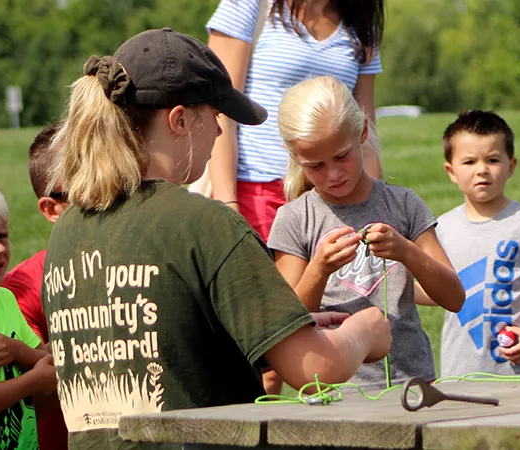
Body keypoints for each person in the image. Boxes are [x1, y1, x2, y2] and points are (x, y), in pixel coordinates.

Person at [45, 28, 392, 448]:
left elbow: (162, 340)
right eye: (215, 115)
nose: (221, 132)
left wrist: (275, 330)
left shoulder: (67, 229)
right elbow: (313, 368)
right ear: (178, 120)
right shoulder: (204, 222)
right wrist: (365, 331)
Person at [267, 76, 464, 390]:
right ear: (295, 157)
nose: (333, 174)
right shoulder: (294, 219)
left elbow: (454, 297)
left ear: (362, 132)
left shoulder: (403, 204)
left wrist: (405, 251)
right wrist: (319, 268)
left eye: (342, 156)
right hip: (334, 389)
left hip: (410, 385)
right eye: (315, 165)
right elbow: (284, 325)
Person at [205, 0, 386, 241]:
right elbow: (220, 115)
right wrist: (228, 206)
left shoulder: (361, 26)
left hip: (333, 200)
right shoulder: (250, 5)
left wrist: (378, 210)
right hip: (256, 192)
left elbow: (365, 134)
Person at [427, 110, 520, 377]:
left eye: (492, 160)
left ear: (511, 165)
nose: (481, 170)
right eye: (469, 162)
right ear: (451, 171)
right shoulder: (441, 228)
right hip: (461, 372)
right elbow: (436, 289)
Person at [0, 181, 56, 450]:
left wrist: (18, 350)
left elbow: (45, 360)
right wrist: (35, 380)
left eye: (3, 236)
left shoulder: (5, 298)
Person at [0, 122, 69, 449]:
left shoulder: (151, 260)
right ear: (52, 209)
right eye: (88, 191)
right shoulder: (22, 288)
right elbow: (38, 390)